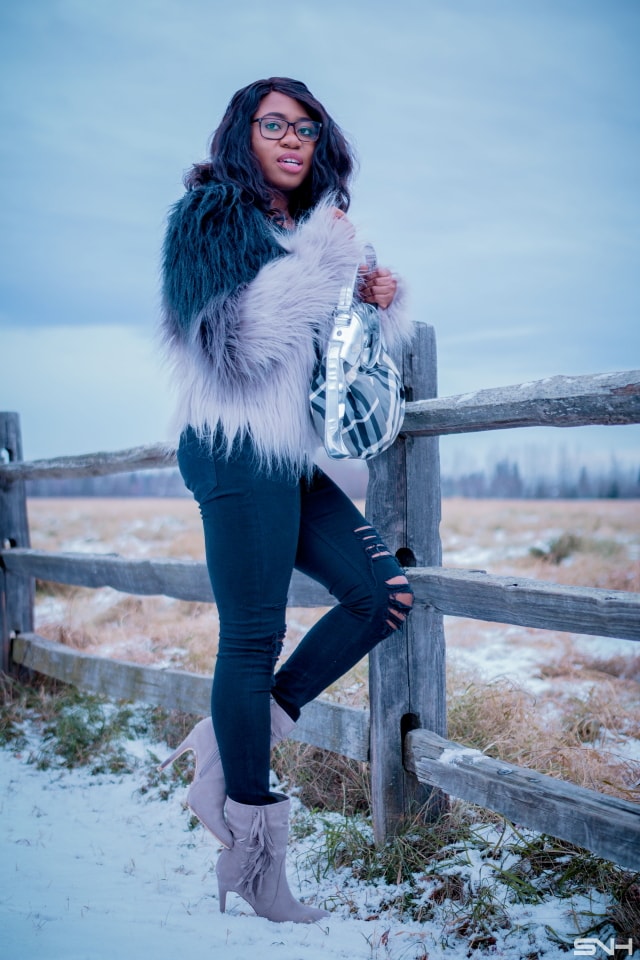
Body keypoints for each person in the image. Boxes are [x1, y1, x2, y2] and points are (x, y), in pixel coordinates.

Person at [158, 77, 415, 923]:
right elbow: (233, 345)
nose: (293, 139)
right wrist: (325, 264)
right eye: (275, 125)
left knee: (381, 596)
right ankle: (254, 859)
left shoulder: (304, 232)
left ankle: (231, 741)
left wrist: (378, 303)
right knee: (253, 636)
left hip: (289, 459)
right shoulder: (208, 219)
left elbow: (334, 353)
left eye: (307, 127)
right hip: (233, 448)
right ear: (244, 132)